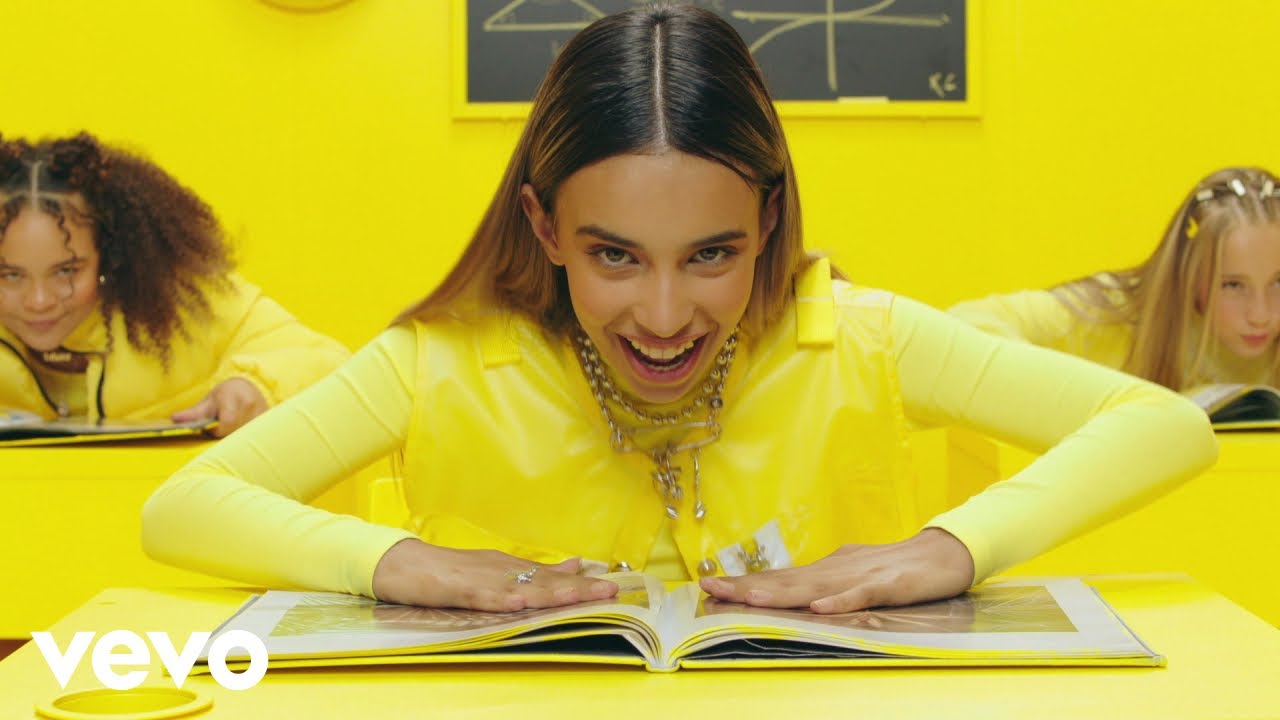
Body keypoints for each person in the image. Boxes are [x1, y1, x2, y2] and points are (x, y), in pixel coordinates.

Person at [142, 5, 1216, 614]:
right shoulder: (439, 359)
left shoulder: (861, 336)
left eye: (712, 255)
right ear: (544, 227)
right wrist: (406, 565)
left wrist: (954, 546)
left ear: (767, 222)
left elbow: (1161, 424)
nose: (663, 315)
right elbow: (183, 508)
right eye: (613, 255)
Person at [0, 132, 350, 436]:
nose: (39, 301)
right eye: (10, 275)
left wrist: (257, 387)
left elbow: (336, 366)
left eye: (66, 271)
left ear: (109, 252)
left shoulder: (185, 308)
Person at [949, 166, 1280, 392]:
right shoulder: (1115, 317)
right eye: (1233, 286)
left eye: (1279, 284)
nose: (1260, 315)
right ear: (1187, 271)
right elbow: (965, 326)